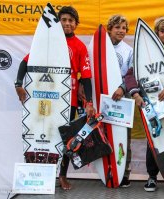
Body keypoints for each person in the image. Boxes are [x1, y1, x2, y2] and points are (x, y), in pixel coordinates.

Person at [14, 6, 95, 190]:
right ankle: (38, 173)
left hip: (68, 101)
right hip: (44, 100)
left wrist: (89, 102)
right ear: (59, 23)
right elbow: (26, 62)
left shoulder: (80, 46)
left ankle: (62, 176)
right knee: (41, 134)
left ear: (76, 24)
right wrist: (18, 85)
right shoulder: (47, 43)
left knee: (67, 140)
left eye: (71, 20)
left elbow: (87, 77)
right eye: (64, 20)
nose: (67, 23)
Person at [125, 16, 164, 192]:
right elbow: (130, 76)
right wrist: (136, 94)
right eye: (162, 31)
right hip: (152, 102)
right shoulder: (145, 53)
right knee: (154, 138)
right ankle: (152, 177)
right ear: (157, 33)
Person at [107, 14, 133, 188]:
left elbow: (132, 74)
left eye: (124, 28)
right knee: (103, 136)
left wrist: (123, 88)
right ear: (109, 29)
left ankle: (123, 172)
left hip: (122, 97)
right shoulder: (98, 47)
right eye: (117, 27)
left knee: (123, 137)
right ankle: (107, 171)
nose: (121, 31)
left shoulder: (129, 50)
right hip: (103, 98)